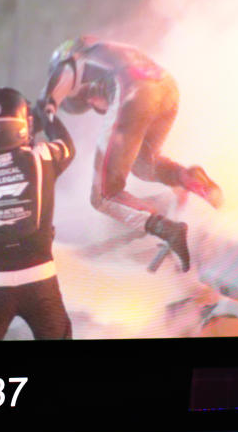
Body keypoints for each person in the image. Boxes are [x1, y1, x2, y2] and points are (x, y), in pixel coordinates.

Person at [40, 36, 222, 272]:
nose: (93, 106)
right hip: (166, 87)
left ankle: (167, 230)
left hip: (131, 91)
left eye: (89, 102)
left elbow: (85, 98)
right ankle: (187, 178)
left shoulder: (75, 67)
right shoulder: (109, 50)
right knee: (144, 162)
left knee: (103, 195)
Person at [0, 87, 75, 340]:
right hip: (40, 278)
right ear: (22, 125)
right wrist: (48, 115)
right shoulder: (43, 157)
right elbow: (67, 146)